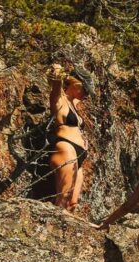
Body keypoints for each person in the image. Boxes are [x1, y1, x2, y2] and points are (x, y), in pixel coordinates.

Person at [47, 64, 95, 212]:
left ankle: (63, 234)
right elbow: (56, 83)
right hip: (66, 149)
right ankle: (52, 232)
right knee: (63, 199)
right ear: (76, 84)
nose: (86, 95)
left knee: (72, 203)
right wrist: (59, 71)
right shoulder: (59, 99)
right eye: (85, 90)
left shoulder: (74, 103)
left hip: (79, 154)